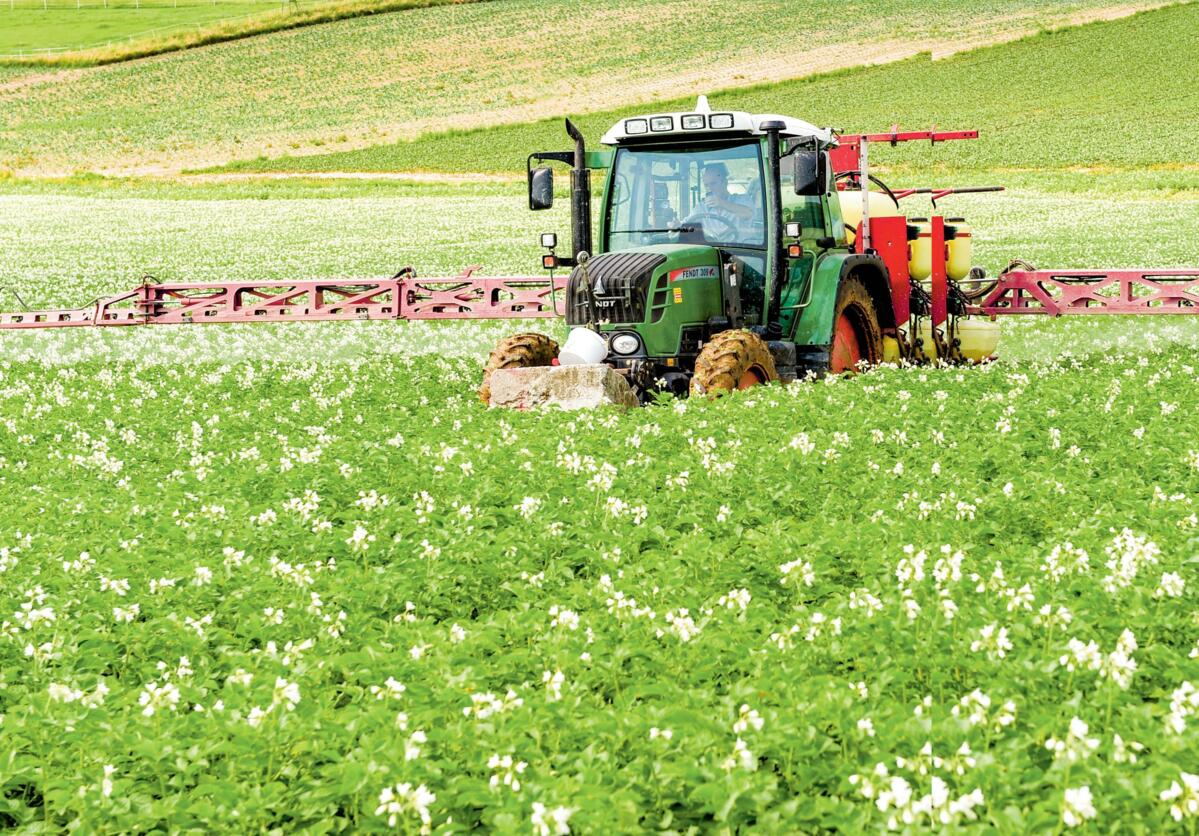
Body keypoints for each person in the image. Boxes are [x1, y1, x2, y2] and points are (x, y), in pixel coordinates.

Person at [683, 163, 761, 242]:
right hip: (712, 251)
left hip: (741, 250)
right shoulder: (702, 207)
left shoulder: (742, 199)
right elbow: (687, 224)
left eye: (713, 183)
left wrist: (721, 203)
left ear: (725, 182)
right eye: (706, 185)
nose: (709, 188)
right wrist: (676, 225)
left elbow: (748, 213)